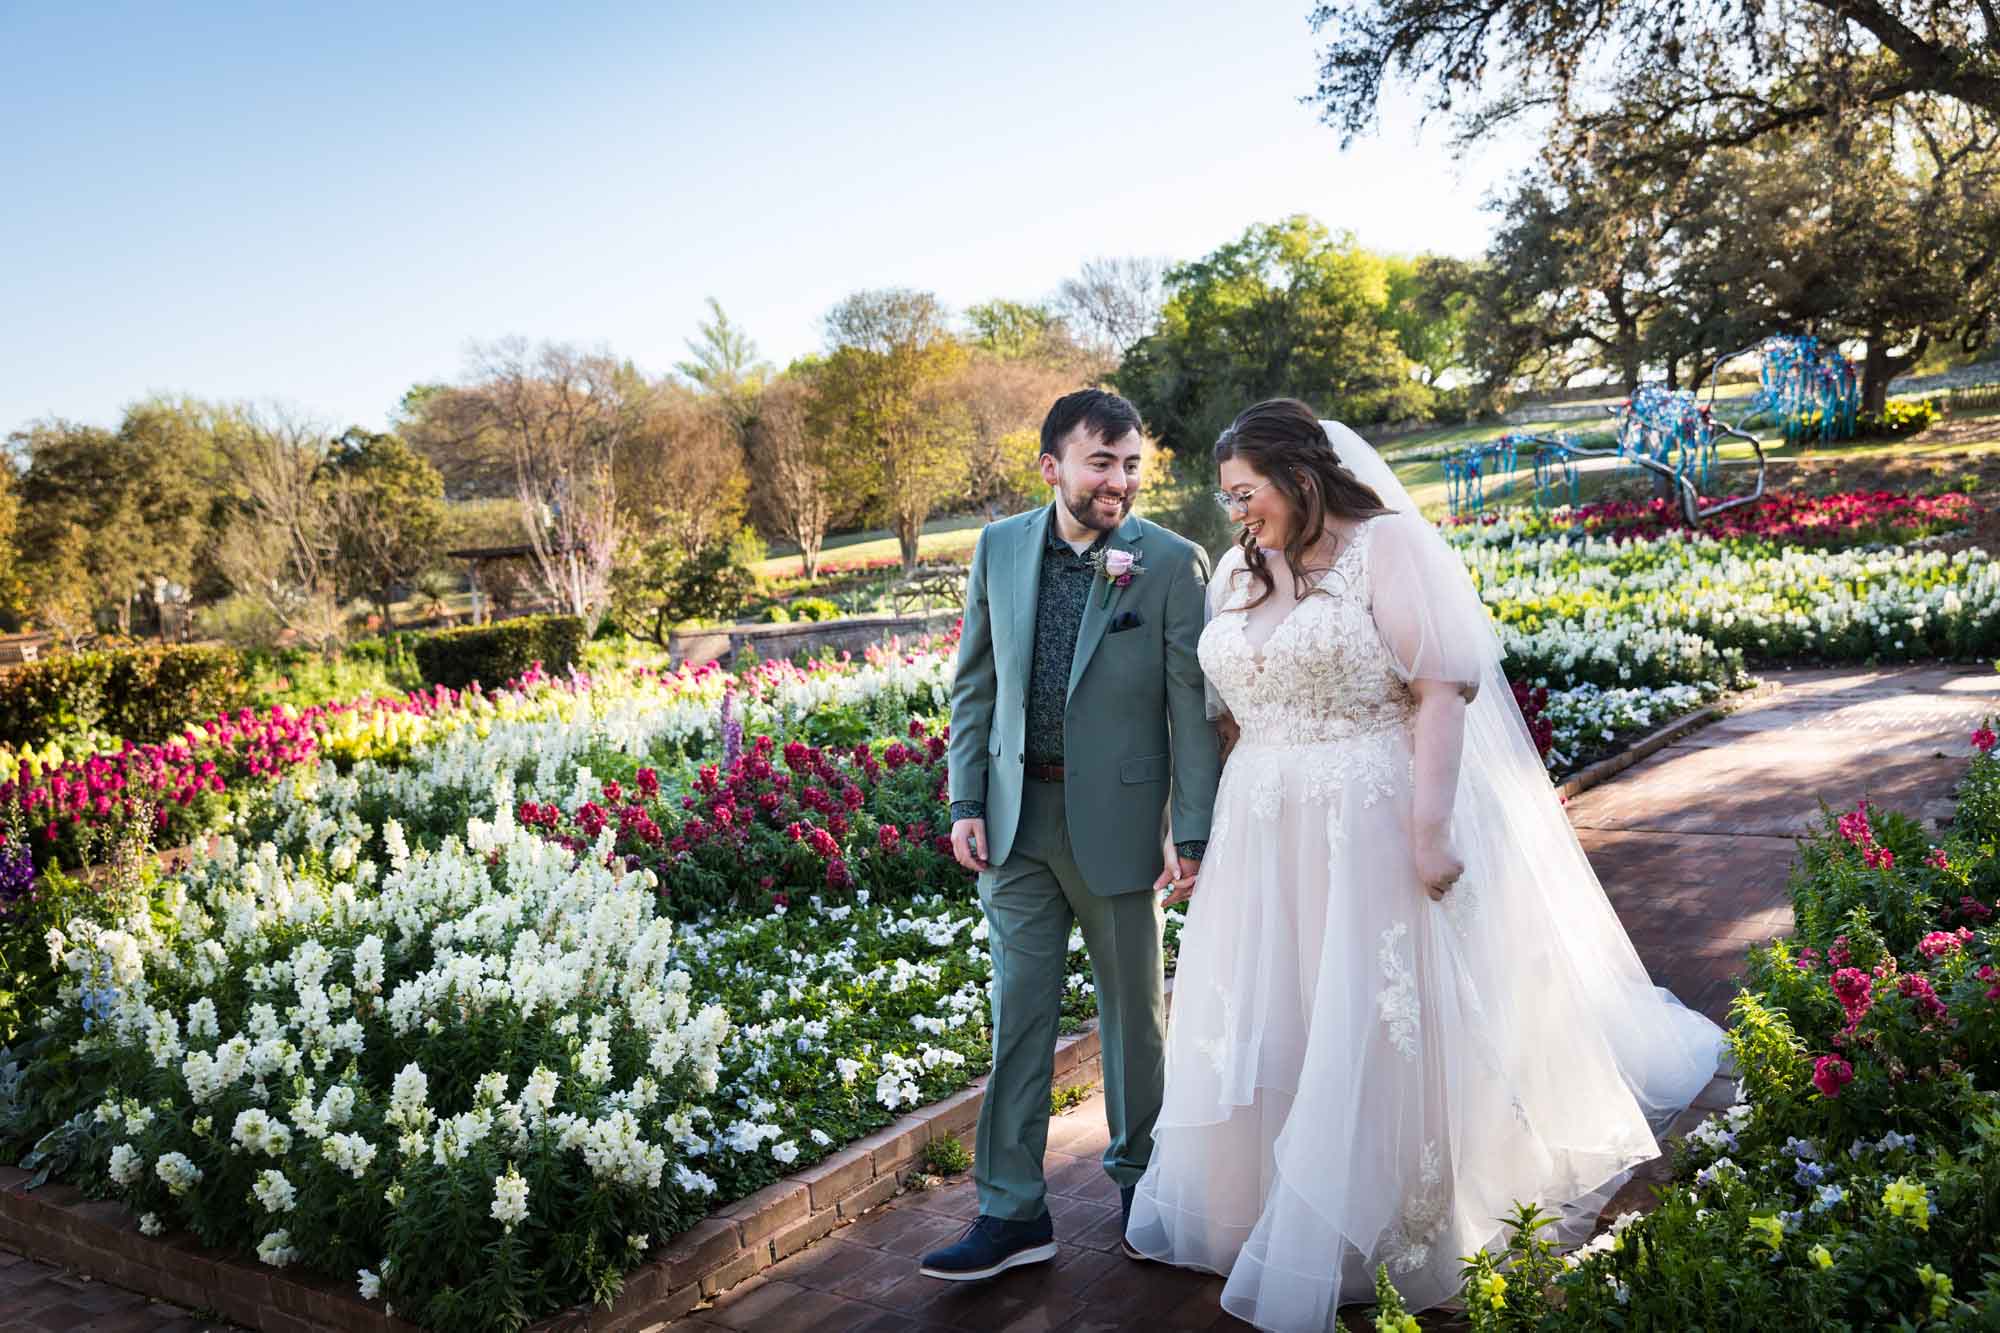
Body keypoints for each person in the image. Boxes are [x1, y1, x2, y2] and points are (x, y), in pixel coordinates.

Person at [1125, 399, 1723, 1327]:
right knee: (1276, 1011)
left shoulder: (1385, 547)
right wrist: (1196, 821)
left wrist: (1429, 828)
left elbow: (1440, 688)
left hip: (1366, 812)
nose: (1237, 512)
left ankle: (1401, 1223)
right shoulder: (1244, 567)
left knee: (1371, 1009)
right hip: (1264, 822)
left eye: (1247, 493)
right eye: (1228, 497)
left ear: (1300, 476)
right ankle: (1267, 1207)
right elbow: (1229, 707)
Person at [922, 389, 1222, 1282]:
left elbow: (1191, 710)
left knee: (1135, 1016)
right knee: (1019, 1015)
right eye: (1101, 462)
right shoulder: (999, 546)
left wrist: (1194, 828)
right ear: (1052, 465)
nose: (1119, 482)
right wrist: (963, 797)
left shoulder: (1170, 562)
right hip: (1015, 824)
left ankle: (1144, 1188)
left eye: (1132, 464)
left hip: (1124, 823)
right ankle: (1011, 1211)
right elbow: (974, 682)